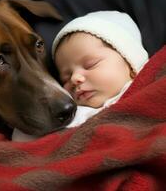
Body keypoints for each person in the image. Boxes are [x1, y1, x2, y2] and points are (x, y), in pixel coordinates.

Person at [12, 10, 149, 141]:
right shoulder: (77, 114)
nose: (74, 78)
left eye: (90, 65)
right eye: (65, 78)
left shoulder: (150, 87)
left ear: (130, 62)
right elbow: (24, 136)